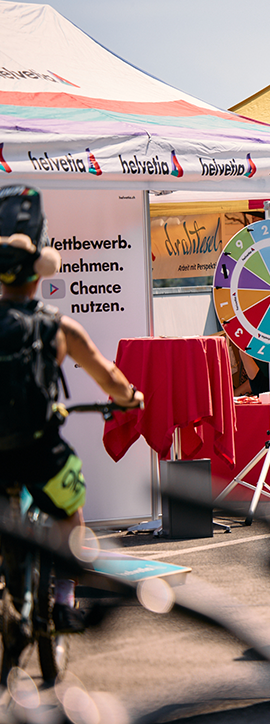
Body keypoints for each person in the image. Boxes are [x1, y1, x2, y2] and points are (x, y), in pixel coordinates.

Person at [0, 185, 144, 633]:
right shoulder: (58, 327)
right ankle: (64, 599)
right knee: (70, 512)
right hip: (41, 452)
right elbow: (109, 378)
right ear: (41, 269)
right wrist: (131, 398)